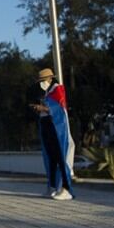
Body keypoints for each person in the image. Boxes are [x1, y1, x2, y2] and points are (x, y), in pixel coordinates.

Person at [30, 68, 74, 201]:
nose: (41, 83)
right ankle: (53, 186)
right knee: (51, 158)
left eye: (42, 81)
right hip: (47, 125)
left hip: (57, 128)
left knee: (61, 156)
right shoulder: (47, 93)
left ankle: (65, 189)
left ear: (49, 79)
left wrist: (42, 108)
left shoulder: (57, 89)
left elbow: (60, 108)